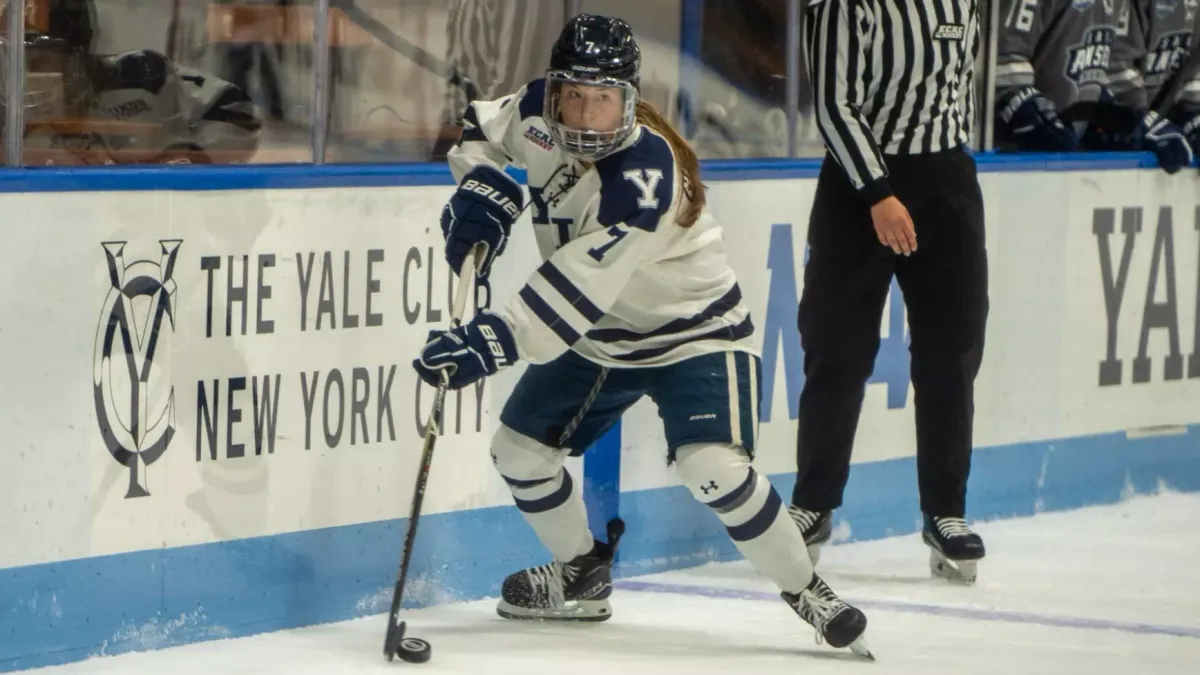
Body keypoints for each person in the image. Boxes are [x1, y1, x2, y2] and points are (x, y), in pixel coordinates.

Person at [411, 13, 872, 658]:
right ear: (556, 88)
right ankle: (580, 574)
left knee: (712, 468)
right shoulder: (536, 113)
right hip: (604, 337)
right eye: (574, 94)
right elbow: (480, 128)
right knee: (517, 450)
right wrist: (481, 184)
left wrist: (491, 340)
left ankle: (807, 589)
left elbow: (577, 286)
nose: (585, 114)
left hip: (695, 333)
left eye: (602, 100)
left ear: (629, 99)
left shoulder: (644, 173)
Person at [788, 0, 989, 584]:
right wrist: (877, 191)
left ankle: (946, 512)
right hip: (858, 187)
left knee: (951, 352)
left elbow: (961, 87)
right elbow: (832, 103)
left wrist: (947, 173)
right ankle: (814, 502)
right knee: (837, 349)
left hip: (947, 184)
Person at [994, 0, 1193, 172]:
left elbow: (1105, 69)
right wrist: (1024, 109)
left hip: (1071, 162)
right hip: (1011, 159)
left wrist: (1129, 120)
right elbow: (1001, 58)